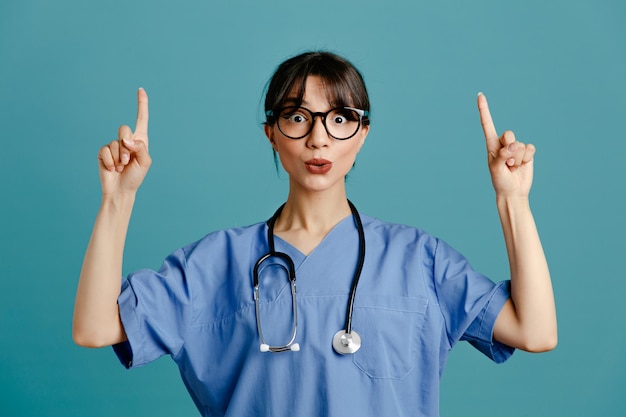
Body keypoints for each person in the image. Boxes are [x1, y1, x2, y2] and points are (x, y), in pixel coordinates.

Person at [73, 51, 557, 416]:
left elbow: (534, 332)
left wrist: (512, 200)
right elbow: (94, 327)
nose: (318, 137)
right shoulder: (214, 264)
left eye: (340, 118)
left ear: (363, 133)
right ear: (271, 132)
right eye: (297, 116)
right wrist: (118, 198)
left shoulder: (419, 259)